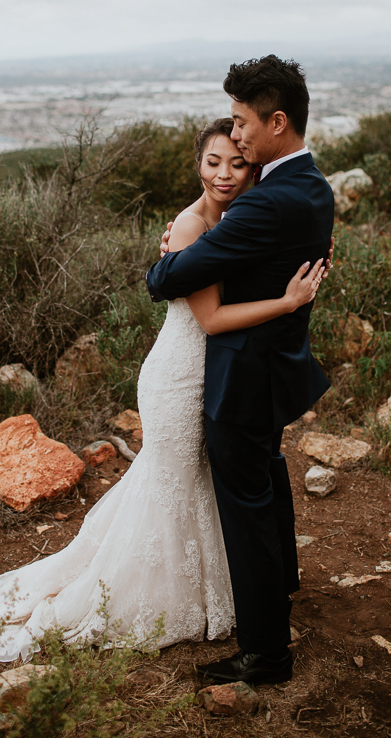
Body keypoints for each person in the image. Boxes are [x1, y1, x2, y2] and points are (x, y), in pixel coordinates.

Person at [0, 117, 326, 663]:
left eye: (237, 162)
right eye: (213, 161)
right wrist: (287, 303)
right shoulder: (190, 229)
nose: (224, 173)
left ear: (254, 166)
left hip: (218, 376)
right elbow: (211, 320)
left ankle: (219, 593)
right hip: (180, 376)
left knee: (200, 484)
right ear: (197, 163)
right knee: (170, 485)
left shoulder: (249, 214)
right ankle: (142, 595)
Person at [147, 55, 335, 686]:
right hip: (273, 369)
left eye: (242, 122)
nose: (238, 137)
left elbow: (166, 280)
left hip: (241, 378)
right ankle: (281, 587)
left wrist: (170, 247)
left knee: (246, 505)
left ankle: (264, 654)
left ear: (276, 122)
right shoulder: (312, 187)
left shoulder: (267, 205)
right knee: (269, 479)